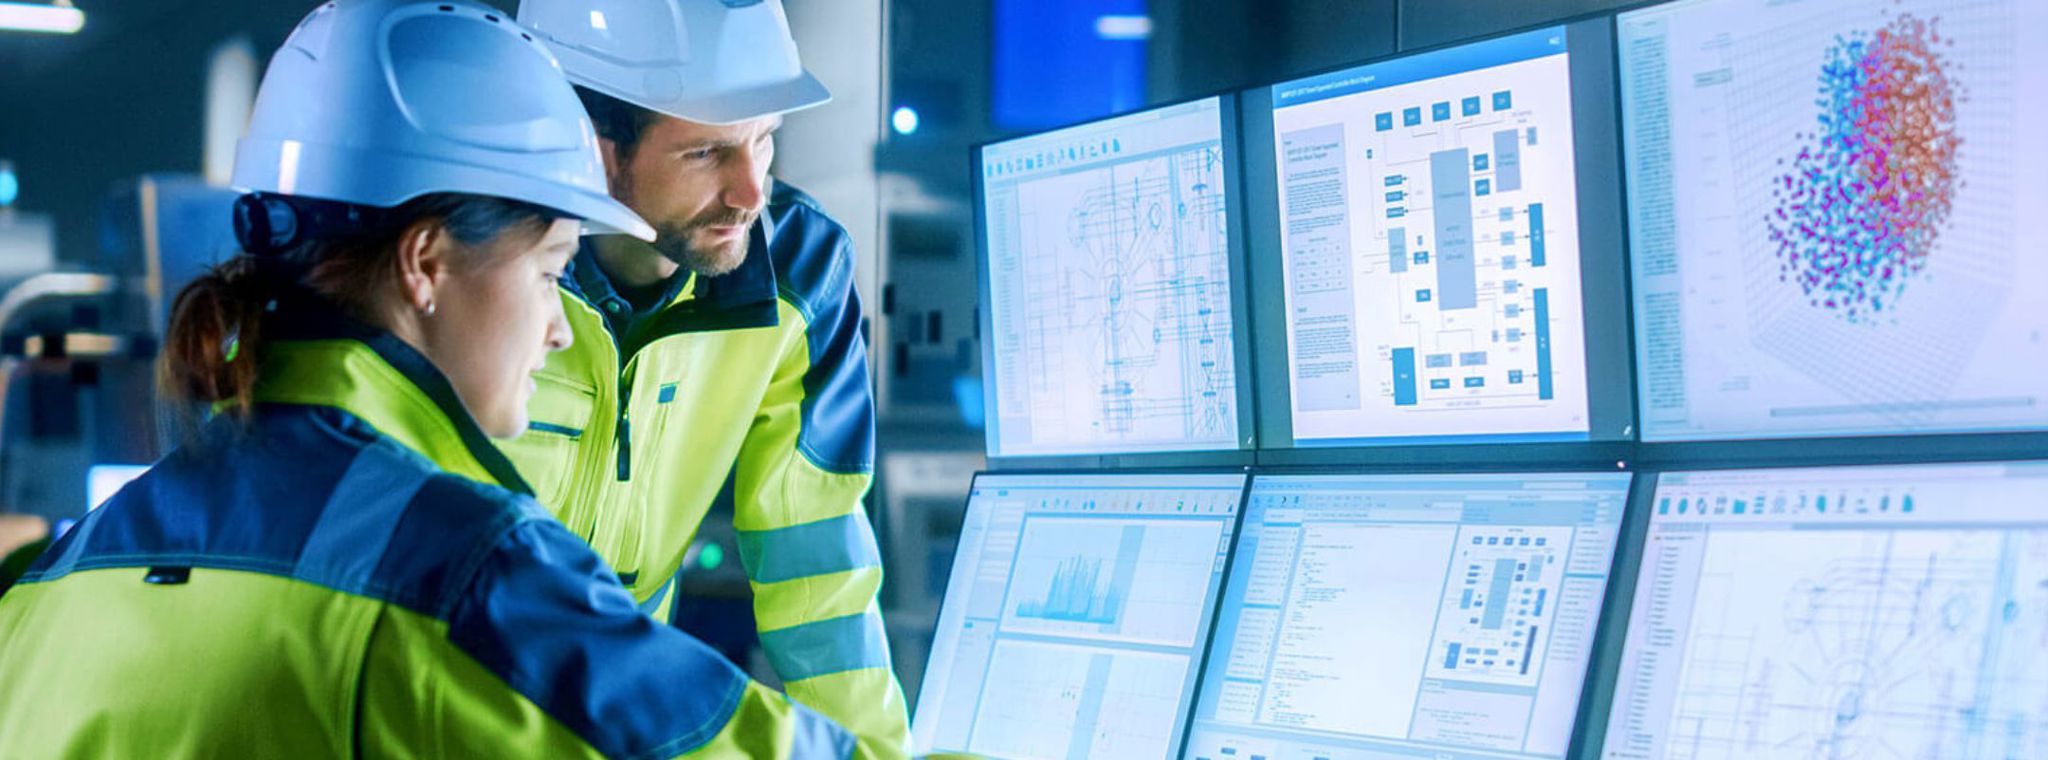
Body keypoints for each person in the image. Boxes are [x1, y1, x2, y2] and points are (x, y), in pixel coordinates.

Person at [0, 2, 855, 756]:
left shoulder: (61, 577)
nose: (558, 328)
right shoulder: (465, 578)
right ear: (425, 263)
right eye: (552, 271)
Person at [508, 1, 908, 755]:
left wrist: (876, 753)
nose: (751, 192)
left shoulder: (801, 273)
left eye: (764, 141)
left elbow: (818, 571)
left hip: (619, 721)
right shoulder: (484, 271)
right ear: (591, 147)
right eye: (706, 154)